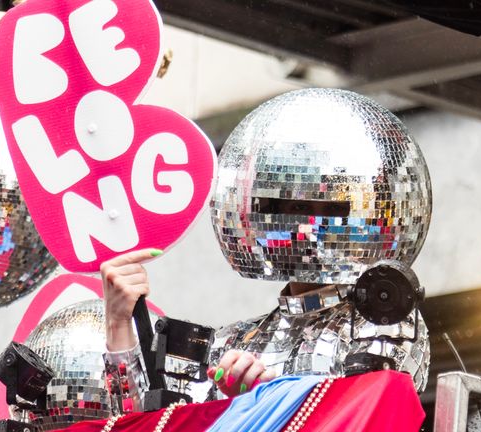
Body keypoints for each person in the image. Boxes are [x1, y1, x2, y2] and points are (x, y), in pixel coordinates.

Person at [101, 88, 433, 412]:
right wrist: (118, 324)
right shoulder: (233, 342)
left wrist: (263, 400)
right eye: (283, 207)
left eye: (328, 210)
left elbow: (366, 416)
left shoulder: (384, 321)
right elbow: (143, 425)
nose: (304, 228)